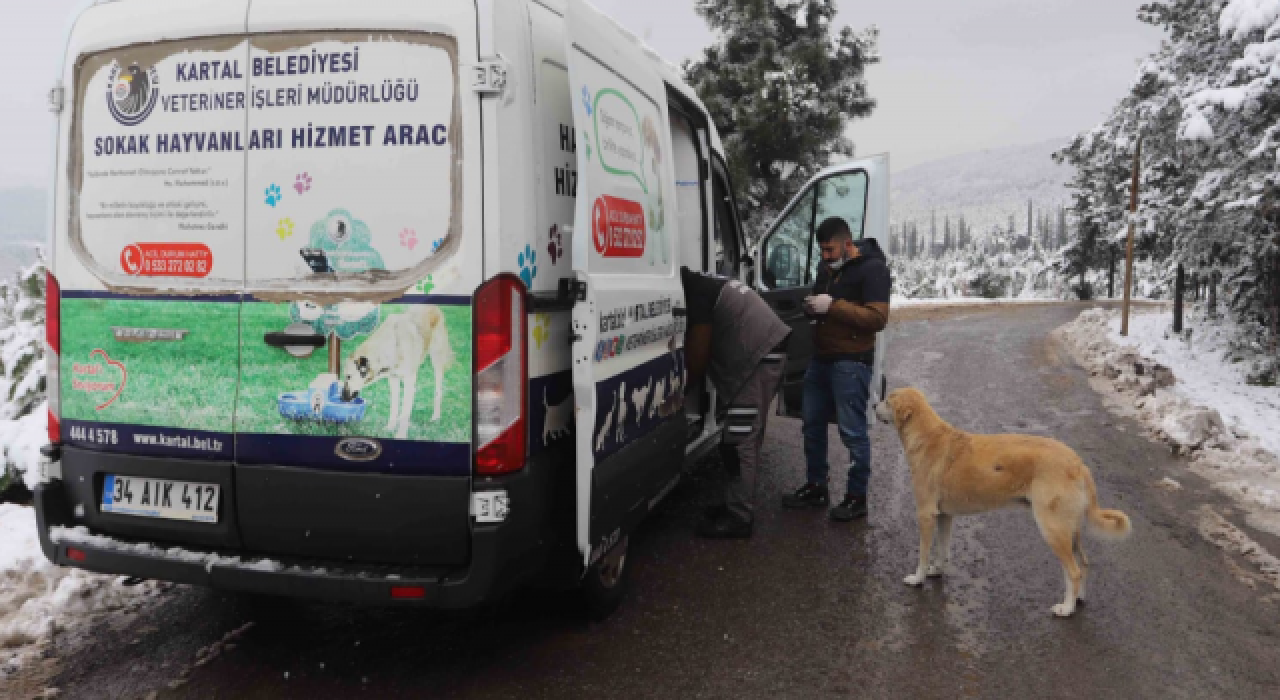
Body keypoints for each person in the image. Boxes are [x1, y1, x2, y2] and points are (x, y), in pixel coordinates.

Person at [781, 217, 891, 521]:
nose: (825, 256)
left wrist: (833, 306)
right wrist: (812, 307)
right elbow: (823, 305)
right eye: (822, 251)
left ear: (847, 243)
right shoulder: (826, 269)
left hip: (852, 362)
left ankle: (857, 498)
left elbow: (877, 319)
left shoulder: (873, 268)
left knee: (853, 432)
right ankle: (816, 487)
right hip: (821, 358)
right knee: (812, 424)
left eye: (830, 250)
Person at [681, 266, 792, 538]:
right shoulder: (706, 282)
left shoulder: (696, 294)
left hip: (761, 357)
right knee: (734, 440)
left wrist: (680, 393)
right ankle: (734, 503)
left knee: (740, 441)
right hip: (765, 351)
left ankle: (739, 517)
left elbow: (698, 353)